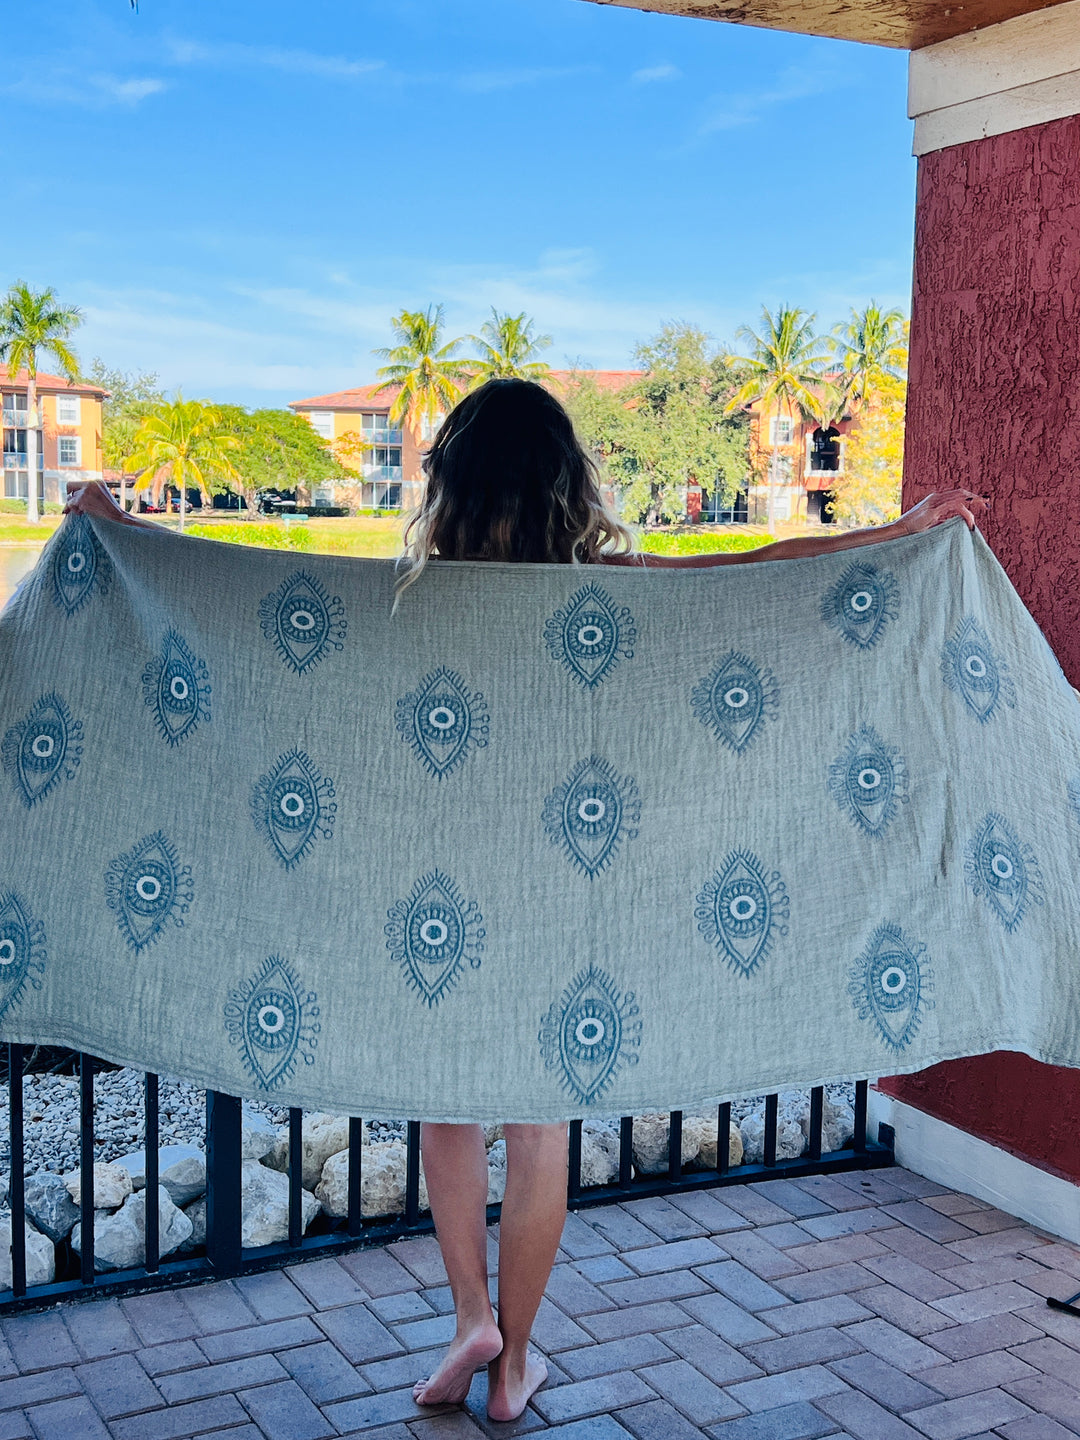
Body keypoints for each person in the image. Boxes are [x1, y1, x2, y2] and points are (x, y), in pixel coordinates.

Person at [66, 378, 984, 1422]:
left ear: (449, 481)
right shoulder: (611, 590)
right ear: (566, 480)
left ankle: (471, 1317)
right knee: (539, 1130)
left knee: (448, 1115)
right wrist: (901, 534)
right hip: (559, 912)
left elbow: (238, 596)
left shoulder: (413, 599)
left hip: (439, 909)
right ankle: (515, 1368)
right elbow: (757, 578)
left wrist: (122, 531)